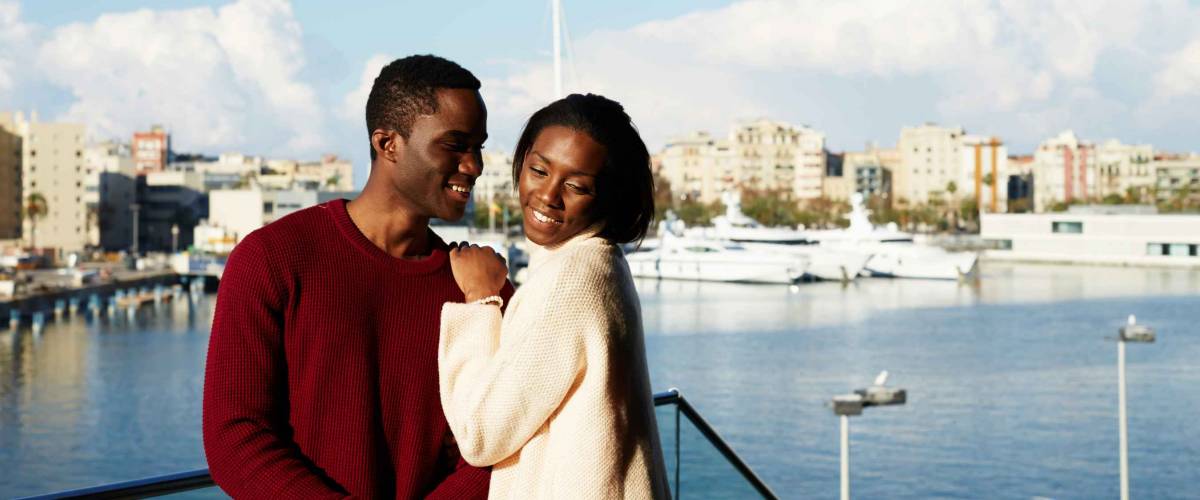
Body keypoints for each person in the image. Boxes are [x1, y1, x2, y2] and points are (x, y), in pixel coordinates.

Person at [203, 54, 506, 499]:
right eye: (454, 144)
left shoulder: (481, 292)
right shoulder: (271, 259)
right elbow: (236, 434)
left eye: (478, 146)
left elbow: (503, 445)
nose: (474, 165)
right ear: (388, 144)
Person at [438, 94, 669, 499]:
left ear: (609, 197)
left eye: (576, 186)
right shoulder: (604, 264)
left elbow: (480, 434)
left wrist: (479, 300)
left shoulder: (571, 281)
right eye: (539, 170)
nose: (547, 195)